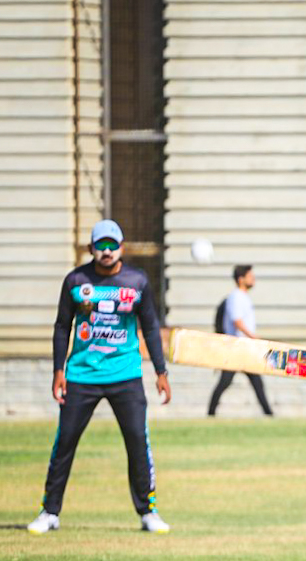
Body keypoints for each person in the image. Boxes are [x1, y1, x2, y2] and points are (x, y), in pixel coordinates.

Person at [28, 219, 172, 535]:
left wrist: (161, 371)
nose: (107, 251)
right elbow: (62, 326)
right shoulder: (76, 280)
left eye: (112, 245)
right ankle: (49, 512)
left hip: (126, 374)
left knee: (137, 442)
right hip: (82, 375)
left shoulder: (137, 281)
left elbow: (150, 327)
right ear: (91, 248)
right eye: (101, 245)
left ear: (121, 247)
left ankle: (148, 512)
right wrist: (58, 371)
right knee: (65, 442)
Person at [207, 265, 274, 417]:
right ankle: (210, 413)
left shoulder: (243, 297)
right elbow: (237, 321)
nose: (253, 279)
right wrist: (253, 337)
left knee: (256, 382)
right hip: (236, 347)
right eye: (250, 276)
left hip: (245, 347)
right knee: (225, 381)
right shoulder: (235, 297)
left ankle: (268, 413)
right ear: (240, 279)